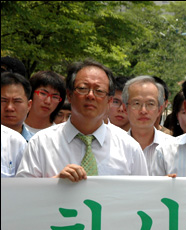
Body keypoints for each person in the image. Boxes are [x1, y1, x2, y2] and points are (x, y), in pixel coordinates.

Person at [16, 59, 148, 181]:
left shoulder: (129, 148)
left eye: (99, 91)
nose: (90, 95)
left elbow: (143, 196)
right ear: (69, 94)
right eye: (83, 88)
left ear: (109, 100)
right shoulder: (41, 143)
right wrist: (54, 184)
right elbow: (23, 197)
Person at [122, 75, 173, 173]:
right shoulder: (115, 147)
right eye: (136, 103)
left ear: (159, 109)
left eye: (150, 104)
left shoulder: (173, 148)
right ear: (125, 108)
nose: (143, 111)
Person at [1, 72, 35, 141]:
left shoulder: (36, 144)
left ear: (29, 105)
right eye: (3, 101)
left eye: (17, 101)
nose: (9, 108)